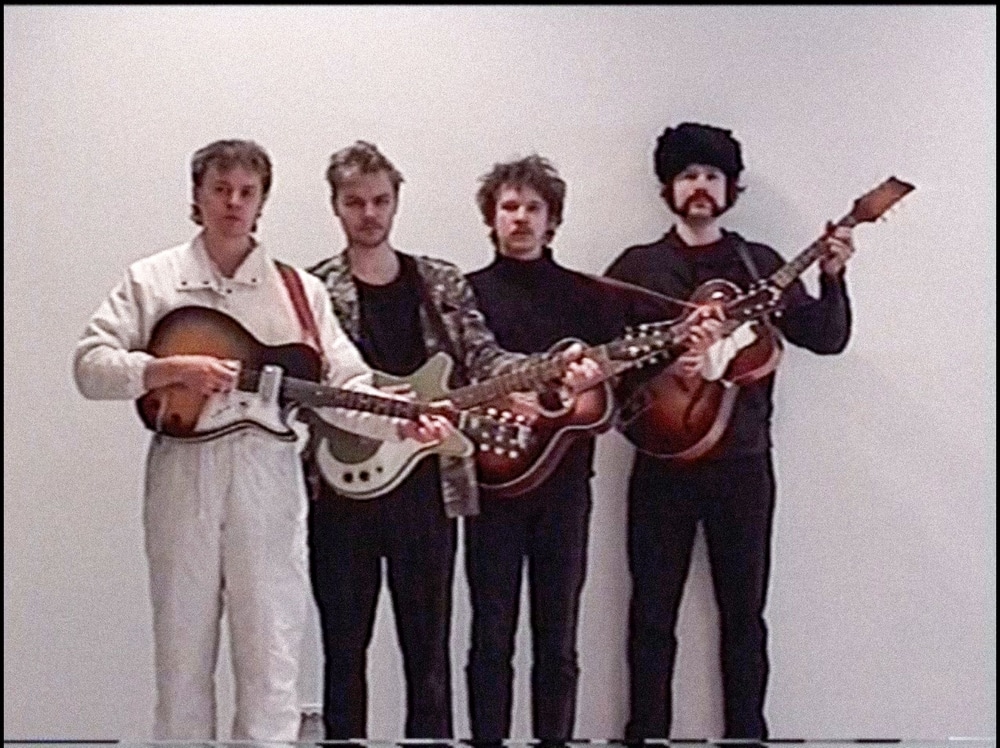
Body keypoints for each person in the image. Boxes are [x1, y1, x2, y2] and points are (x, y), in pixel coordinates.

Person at [72, 139, 444, 741]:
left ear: (262, 201)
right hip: (183, 470)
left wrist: (398, 421)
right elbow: (90, 367)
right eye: (220, 190)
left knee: (272, 653)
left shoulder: (299, 291)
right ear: (197, 196)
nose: (233, 203)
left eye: (247, 192)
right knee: (181, 653)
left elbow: (345, 387)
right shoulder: (152, 279)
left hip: (268, 474)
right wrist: (166, 370)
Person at [303, 141, 603, 740]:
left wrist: (548, 369)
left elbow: (484, 358)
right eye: (355, 202)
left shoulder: (438, 282)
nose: (369, 214)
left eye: (380, 200)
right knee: (343, 655)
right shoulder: (313, 289)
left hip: (426, 489)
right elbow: (310, 387)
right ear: (336, 206)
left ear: (396, 201)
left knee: (429, 661)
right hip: (340, 491)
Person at [604, 122, 856, 739]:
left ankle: (747, 734)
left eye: (712, 176)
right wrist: (671, 365)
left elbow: (826, 338)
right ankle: (646, 734)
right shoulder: (638, 268)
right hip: (661, 465)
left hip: (742, 466)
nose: (700, 186)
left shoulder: (759, 266)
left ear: (731, 188)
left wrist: (833, 275)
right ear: (668, 187)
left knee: (745, 617)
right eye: (688, 175)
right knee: (650, 616)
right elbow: (600, 362)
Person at [462, 154, 721, 743]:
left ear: (552, 220)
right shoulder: (467, 295)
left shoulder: (589, 297)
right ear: (492, 218)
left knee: (558, 641)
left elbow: (638, 363)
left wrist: (688, 342)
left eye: (534, 208)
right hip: (491, 486)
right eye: (509, 207)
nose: (521, 218)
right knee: (489, 638)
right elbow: (457, 380)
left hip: (565, 489)